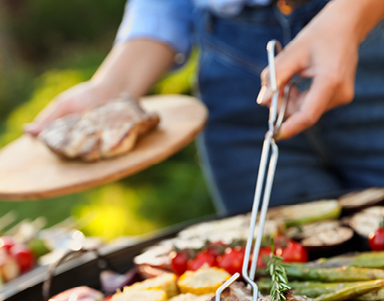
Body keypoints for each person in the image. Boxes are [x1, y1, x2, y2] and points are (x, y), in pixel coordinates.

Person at [24, 0, 384, 216]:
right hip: (231, 61)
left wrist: (348, 19)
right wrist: (114, 86)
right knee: (278, 285)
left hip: (370, 35)